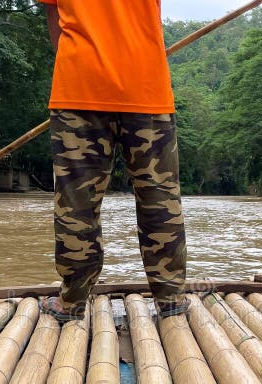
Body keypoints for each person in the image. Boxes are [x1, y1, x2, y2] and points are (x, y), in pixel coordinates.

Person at [38, 0, 188, 321]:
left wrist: (83, 65)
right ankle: (170, 299)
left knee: (76, 203)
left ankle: (72, 301)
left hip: (80, 83)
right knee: (159, 198)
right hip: (145, 82)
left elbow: (54, 16)